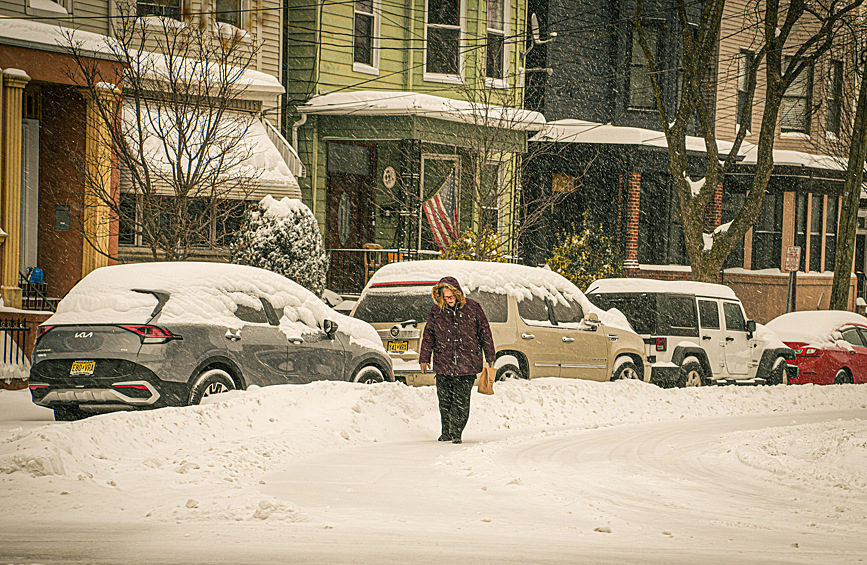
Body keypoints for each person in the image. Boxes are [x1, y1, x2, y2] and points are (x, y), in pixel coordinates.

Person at [419, 276, 495, 444]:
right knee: (444, 400)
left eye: (452, 296)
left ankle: (456, 432)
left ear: (458, 294)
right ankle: (446, 431)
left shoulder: (473, 307)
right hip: (443, 362)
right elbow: (429, 334)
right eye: (446, 297)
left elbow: (485, 331)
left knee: (461, 401)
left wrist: (490, 355)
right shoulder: (437, 310)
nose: (450, 299)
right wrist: (424, 358)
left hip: (467, 363)